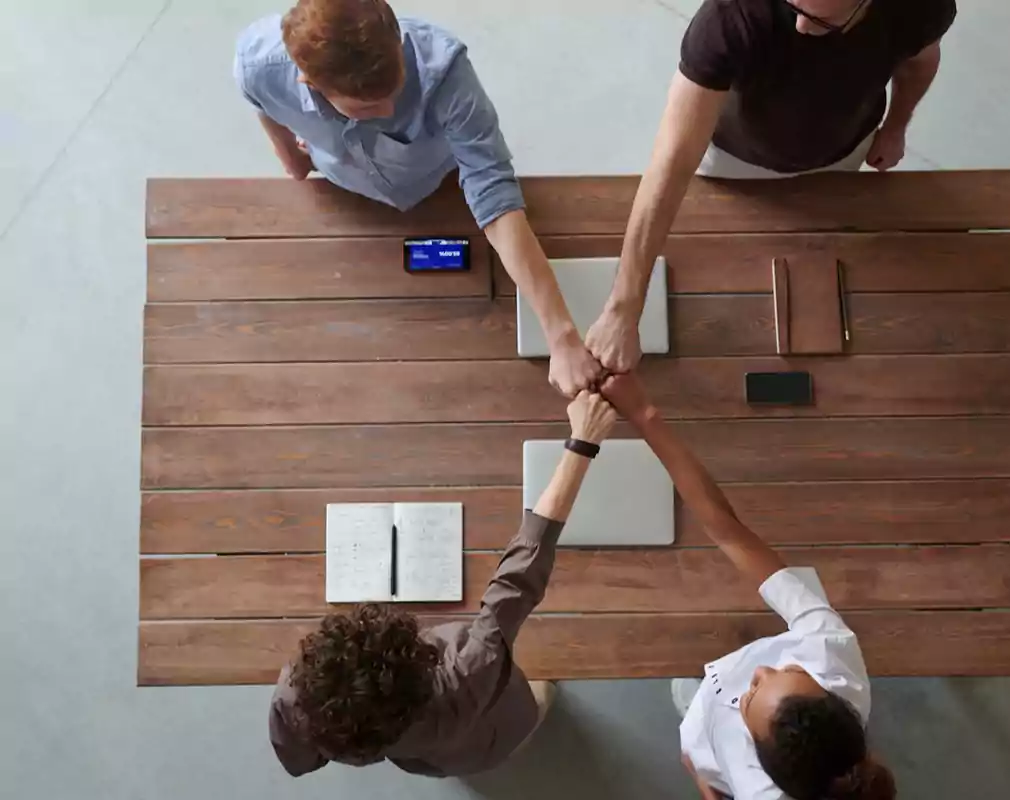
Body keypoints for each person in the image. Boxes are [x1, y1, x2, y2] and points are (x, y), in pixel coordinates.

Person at [234, 0, 601, 396]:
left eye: (396, 87)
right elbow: (259, 100)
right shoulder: (258, 65)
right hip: (347, 195)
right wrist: (291, 159)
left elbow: (492, 187)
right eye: (368, 107)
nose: (392, 109)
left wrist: (561, 336)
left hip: (434, 180)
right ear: (310, 82)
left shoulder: (444, 71)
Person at [586, 0, 957, 372]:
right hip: (731, 157)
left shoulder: (919, 6)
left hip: (843, 150)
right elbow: (672, 160)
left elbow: (919, 63)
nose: (799, 27)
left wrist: (895, 128)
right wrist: (623, 309)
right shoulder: (731, 15)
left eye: (816, 19)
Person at [267, 390, 618, 777]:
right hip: (489, 732)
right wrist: (582, 442)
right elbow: (519, 574)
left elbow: (298, 762)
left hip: (438, 757)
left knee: (473, 749)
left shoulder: (296, 693)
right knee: (538, 698)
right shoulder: (464, 674)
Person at [601, 372, 893, 800]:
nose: (761, 670)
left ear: (757, 759)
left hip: (707, 750)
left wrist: (704, 781)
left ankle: (698, 716)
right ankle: (704, 705)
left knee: (696, 724)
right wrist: (646, 416)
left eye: (751, 694)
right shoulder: (830, 649)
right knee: (702, 703)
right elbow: (729, 532)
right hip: (713, 738)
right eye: (788, 670)